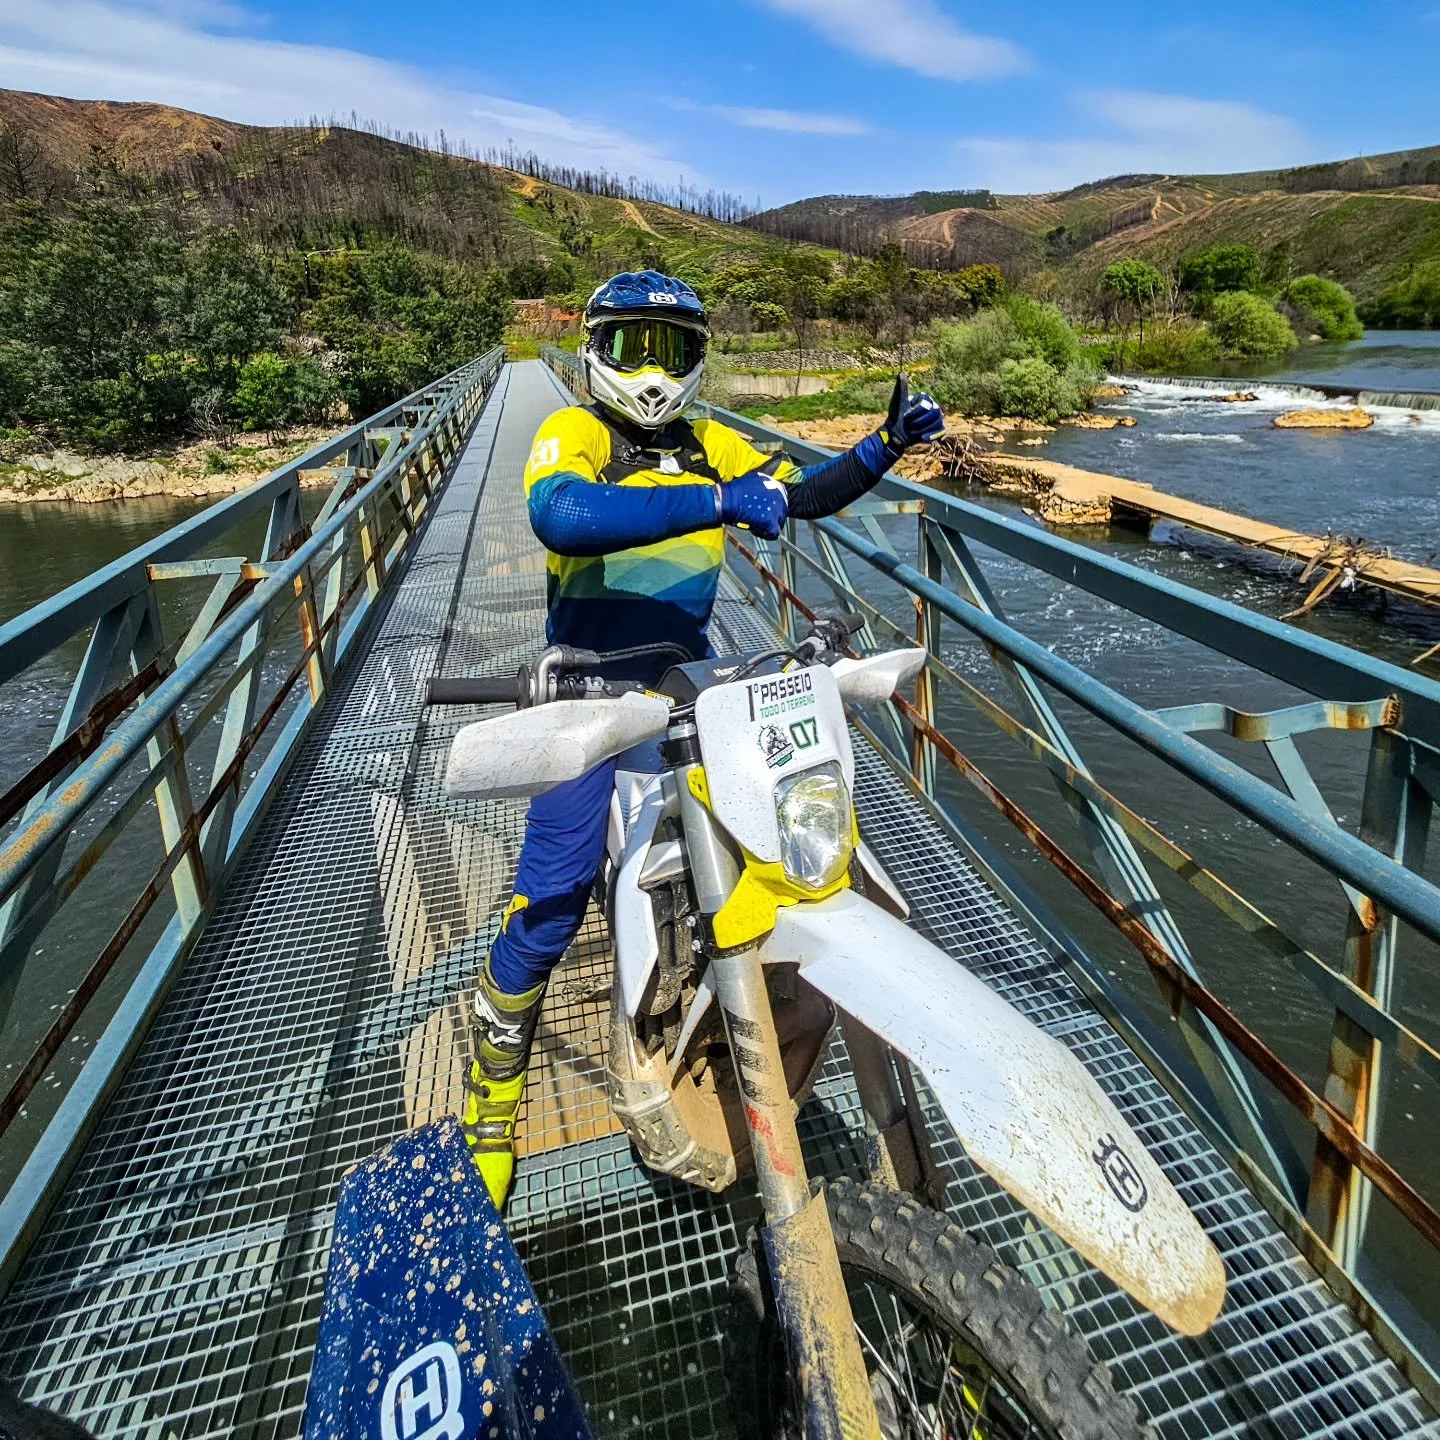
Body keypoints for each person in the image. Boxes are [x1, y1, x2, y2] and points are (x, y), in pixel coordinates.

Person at [463, 270, 944, 1206]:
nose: (653, 371)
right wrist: (717, 503)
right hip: (590, 682)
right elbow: (563, 515)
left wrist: (882, 446)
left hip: (693, 672)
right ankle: (496, 1087)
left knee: (759, 841)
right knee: (552, 895)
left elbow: (797, 496)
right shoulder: (576, 433)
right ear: (597, 351)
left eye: (672, 351)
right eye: (634, 347)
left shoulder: (712, 438)